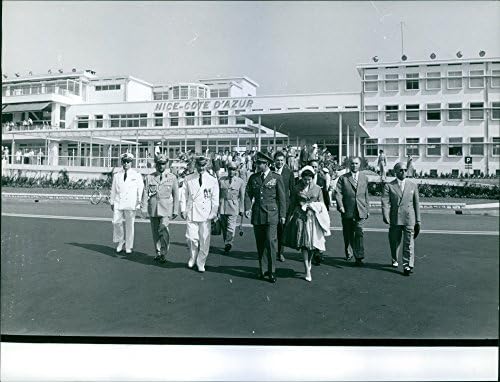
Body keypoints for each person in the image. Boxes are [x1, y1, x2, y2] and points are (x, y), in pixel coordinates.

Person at [244, 152, 286, 283]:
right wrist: (247, 208)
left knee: (270, 242)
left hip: (272, 214)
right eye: (257, 163)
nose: (257, 165)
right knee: (260, 243)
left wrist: (283, 215)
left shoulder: (276, 177)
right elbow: (248, 193)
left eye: (260, 163)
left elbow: (282, 198)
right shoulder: (253, 178)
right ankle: (263, 270)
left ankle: (272, 271)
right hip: (258, 214)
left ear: (266, 164)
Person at [283, 166, 331, 282]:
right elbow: (292, 203)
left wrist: (313, 206)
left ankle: (309, 262)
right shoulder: (296, 188)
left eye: (309, 179)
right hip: (300, 218)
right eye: (305, 179)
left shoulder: (317, 189)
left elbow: (322, 205)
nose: (307, 181)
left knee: (311, 245)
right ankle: (307, 270)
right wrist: (288, 217)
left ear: (312, 179)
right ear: (302, 178)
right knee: (304, 244)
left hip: (313, 219)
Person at [180, 156, 219, 272]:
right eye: (199, 165)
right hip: (192, 211)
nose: (201, 168)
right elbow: (184, 195)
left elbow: (215, 199)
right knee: (191, 238)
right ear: (196, 165)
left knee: (204, 240)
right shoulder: (189, 178)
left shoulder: (212, 179)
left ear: (206, 165)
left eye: (203, 165)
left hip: (206, 213)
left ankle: (201, 261)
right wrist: (183, 209)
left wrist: (213, 213)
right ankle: (193, 257)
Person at [382, 162, 421, 276]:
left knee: (409, 242)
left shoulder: (412, 185)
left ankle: (407, 265)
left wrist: (418, 220)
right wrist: (385, 215)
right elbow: (385, 202)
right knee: (394, 241)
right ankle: (394, 258)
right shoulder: (389, 186)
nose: (403, 172)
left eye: (405, 170)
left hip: (409, 217)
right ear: (395, 172)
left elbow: (416, 204)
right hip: (395, 218)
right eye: (400, 170)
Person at [141, 154, 179, 263]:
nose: (161, 166)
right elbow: (144, 194)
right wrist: (143, 208)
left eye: (163, 164)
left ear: (166, 164)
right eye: (159, 164)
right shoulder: (149, 177)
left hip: (166, 208)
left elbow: (176, 195)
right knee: (155, 232)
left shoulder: (172, 178)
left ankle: (163, 252)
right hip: (153, 208)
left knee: (164, 229)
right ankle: (157, 252)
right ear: (155, 164)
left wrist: (175, 210)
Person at [335, 157, 370, 265]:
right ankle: (348, 250)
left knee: (359, 232)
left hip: (360, 209)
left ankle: (359, 257)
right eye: (352, 163)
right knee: (348, 233)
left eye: (356, 163)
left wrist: (367, 209)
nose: (354, 165)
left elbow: (366, 194)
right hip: (347, 210)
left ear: (360, 165)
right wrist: (340, 206)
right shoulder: (343, 178)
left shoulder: (364, 177)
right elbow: (338, 193)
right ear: (349, 165)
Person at [110, 153, 144, 254]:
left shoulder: (136, 175)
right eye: (124, 162)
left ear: (131, 163)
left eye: (128, 162)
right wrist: (112, 202)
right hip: (118, 201)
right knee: (116, 222)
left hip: (131, 202)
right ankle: (121, 241)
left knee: (130, 225)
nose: (126, 164)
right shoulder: (117, 175)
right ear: (122, 162)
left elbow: (140, 190)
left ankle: (129, 246)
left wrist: (138, 203)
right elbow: (113, 190)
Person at [218, 162, 246, 253]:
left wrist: (242, 209)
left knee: (231, 226)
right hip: (222, 206)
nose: (231, 171)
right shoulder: (221, 180)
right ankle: (226, 241)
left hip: (233, 206)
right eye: (230, 169)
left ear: (236, 170)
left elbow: (242, 197)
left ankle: (229, 243)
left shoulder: (240, 182)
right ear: (227, 169)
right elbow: (217, 195)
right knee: (224, 226)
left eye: (233, 169)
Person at [273, 150, 295, 262]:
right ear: (274, 161)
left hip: (284, 206)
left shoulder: (289, 172)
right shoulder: (270, 171)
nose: (280, 162)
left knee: (282, 230)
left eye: (282, 160)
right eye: (278, 160)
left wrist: (291, 207)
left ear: (285, 161)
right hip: (271, 205)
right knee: (271, 230)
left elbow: (293, 190)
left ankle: (280, 252)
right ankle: (271, 252)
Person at [308, 159, 331, 265]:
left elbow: (325, 194)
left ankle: (319, 253)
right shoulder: (304, 179)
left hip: (320, 210)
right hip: (308, 211)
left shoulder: (322, 179)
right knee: (310, 233)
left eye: (315, 167)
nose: (314, 168)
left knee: (320, 232)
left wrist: (326, 208)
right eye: (312, 166)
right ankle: (311, 252)